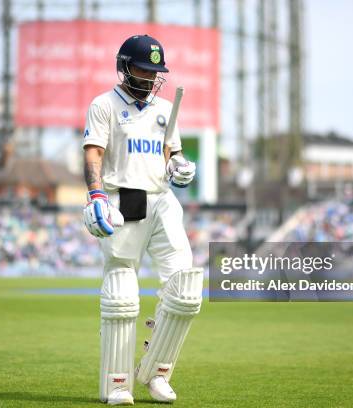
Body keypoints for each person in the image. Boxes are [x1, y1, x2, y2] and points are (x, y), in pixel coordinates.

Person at [82, 34, 203, 405]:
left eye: (155, 72)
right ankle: (117, 384)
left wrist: (179, 168)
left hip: (162, 200)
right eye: (142, 69)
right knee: (121, 293)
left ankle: (157, 373)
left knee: (186, 289)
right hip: (126, 199)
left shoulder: (166, 109)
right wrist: (97, 195)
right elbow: (93, 153)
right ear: (123, 66)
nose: (150, 77)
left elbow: (171, 155)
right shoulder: (104, 105)